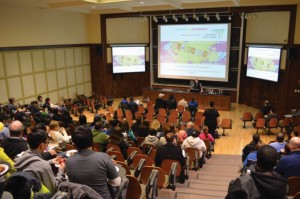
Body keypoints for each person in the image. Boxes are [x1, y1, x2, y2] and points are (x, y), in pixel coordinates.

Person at [66, 126, 121, 199]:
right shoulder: (104, 157)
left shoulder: (68, 161)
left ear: (74, 145)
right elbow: (116, 183)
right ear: (92, 142)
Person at [14, 128, 65, 193]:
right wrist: (61, 171)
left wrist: (50, 161)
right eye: (47, 142)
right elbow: (54, 188)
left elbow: (32, 166)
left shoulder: (22, 156)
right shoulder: (43, 166)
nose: (47, 144)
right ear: (41, 145)